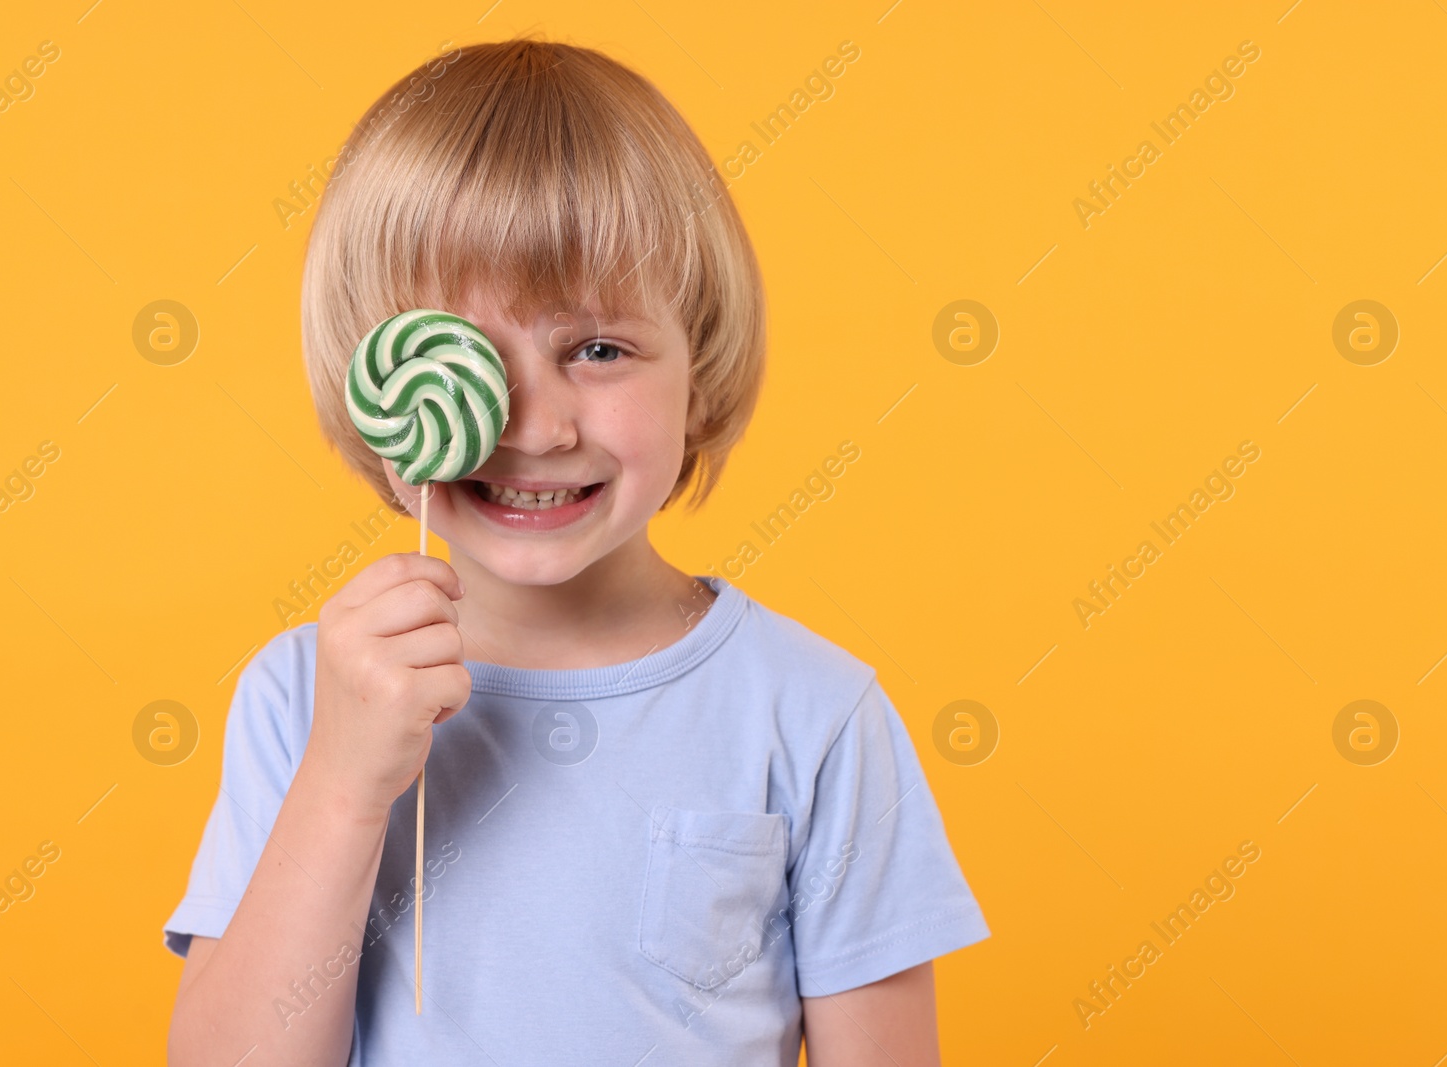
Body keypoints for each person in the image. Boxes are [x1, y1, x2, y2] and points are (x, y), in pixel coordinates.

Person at [164, 35, 988, 1067]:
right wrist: (343, 781)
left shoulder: (812, 714)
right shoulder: (305, 694)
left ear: (702, 363)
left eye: (597, 348)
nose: (534, 423)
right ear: (383, 382)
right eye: (461, 352)